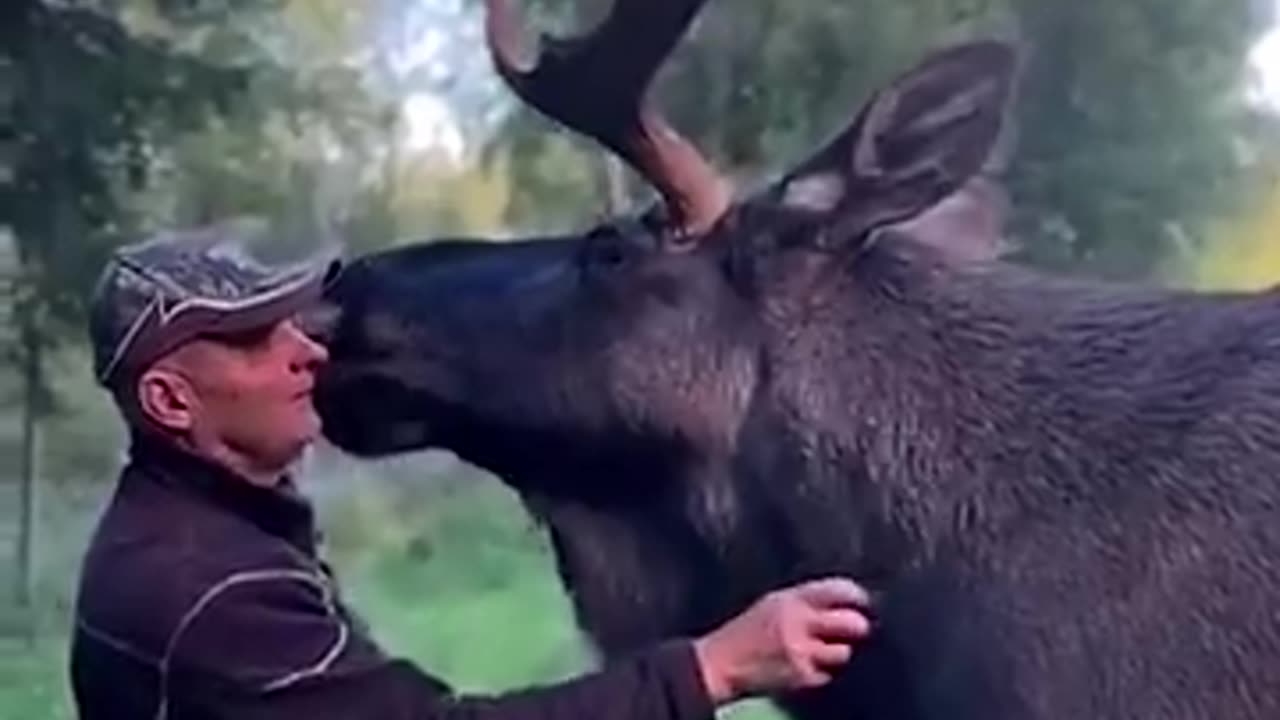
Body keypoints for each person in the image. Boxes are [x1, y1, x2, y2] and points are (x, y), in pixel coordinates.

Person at [70, 223, 875, 719]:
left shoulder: (202, 532)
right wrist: (714, 667)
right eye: (253, 342)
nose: (307, 349)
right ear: (171, 401)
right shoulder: (204, 588)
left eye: (288, 323)